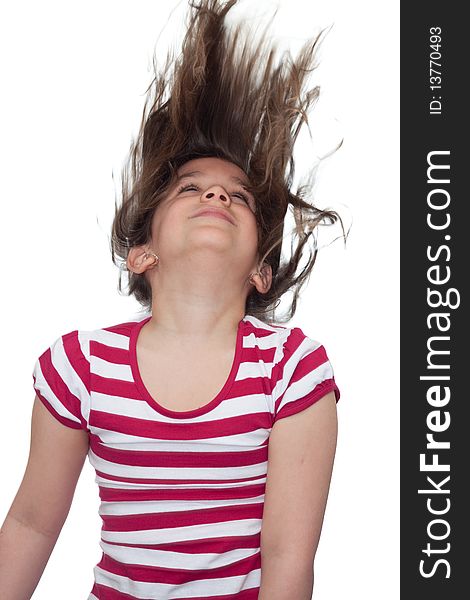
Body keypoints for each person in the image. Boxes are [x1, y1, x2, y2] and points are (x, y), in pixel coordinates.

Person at [0, 1, 344, 598]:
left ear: (261, 270)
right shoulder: (79, 367)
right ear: (143, 254)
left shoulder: (292, 369)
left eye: (239, 197)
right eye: (192, 188)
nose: (217, 193)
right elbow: (29, 526)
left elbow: (290, 559)